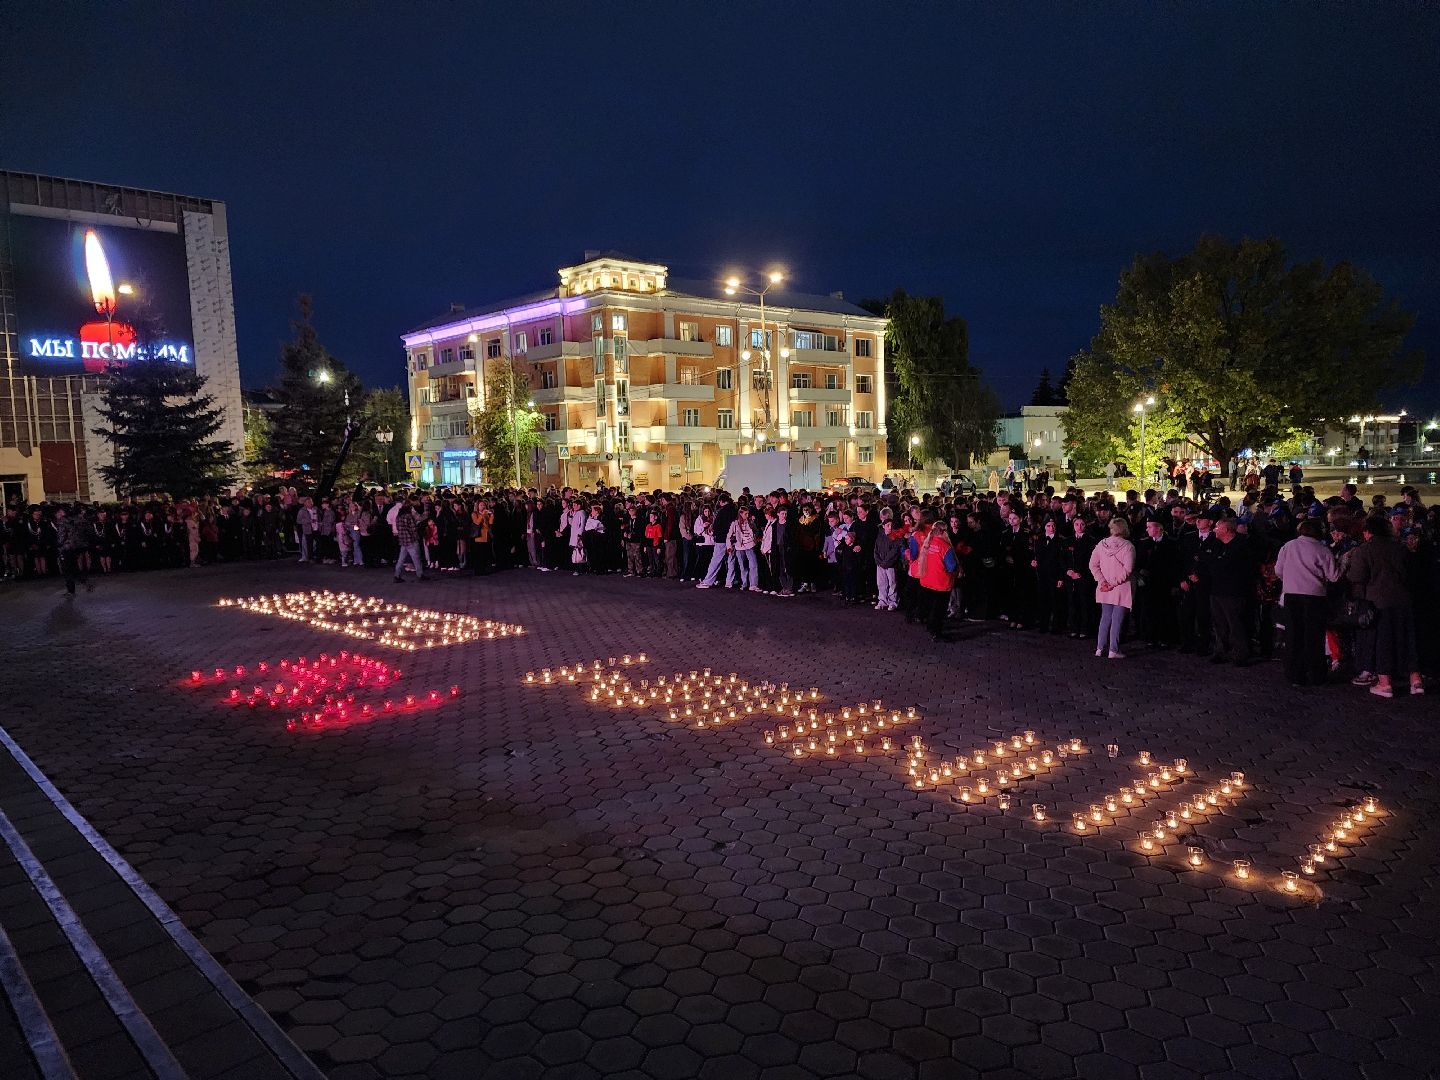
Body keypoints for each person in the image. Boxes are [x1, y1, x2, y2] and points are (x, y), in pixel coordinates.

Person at [1344, 515, 1424, 698]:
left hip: (1378, 602)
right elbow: (1412, 573)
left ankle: (1385, 682)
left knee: (1382, 641)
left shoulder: (1364, 550)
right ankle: (1416, 680)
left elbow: (1357, 577)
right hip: (1404, 599)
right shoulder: (1400, 548)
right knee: (1408, 640)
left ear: (1367, 532)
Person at [1273, 518, 1339, 687]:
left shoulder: (1288, 546)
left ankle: (1295, 675)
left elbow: (1278, 570)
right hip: (1314, 597)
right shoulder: (1322, 549)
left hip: (1292, 595)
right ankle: (1316, 674)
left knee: (1294, 636)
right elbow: (1334, 576)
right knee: (1314, 637)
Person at [907, 509, 958, 642]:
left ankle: (930, 627)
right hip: (941, 582)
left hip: (926, 580)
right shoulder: (945, 546)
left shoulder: (927, 543)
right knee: (939, 609)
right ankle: (937, 632)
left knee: (930, 606)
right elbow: (952, 566)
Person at [1088, 518, 1134, 658]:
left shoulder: (1101, 544)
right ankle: (1113, 649)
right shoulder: (1128, 546)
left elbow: (1093, 565)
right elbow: (1128, 570)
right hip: (1120, 587)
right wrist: (1113, 583)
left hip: (1104, 587)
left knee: (1105, 617)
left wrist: (1102, 582)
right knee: (1117, 619)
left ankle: (1100, 647)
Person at [53, 506, 92, 596]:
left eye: (59, 512)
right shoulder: (75, 520)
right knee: (74, 567)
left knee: (67, 570)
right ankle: (84, 583)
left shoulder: (62, 521)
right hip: (75, 547)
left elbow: (61, 536)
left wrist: (58, 545)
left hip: (66, 548)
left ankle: (71, 590)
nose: (57, 514)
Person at [392, 499, 428, 582]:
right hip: (411, 540)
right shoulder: (408, 516)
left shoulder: (399, 516)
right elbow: (413, 528)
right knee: (416, 558)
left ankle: (397, 575)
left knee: (401, 559)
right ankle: (420, 574)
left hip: (403, 540)